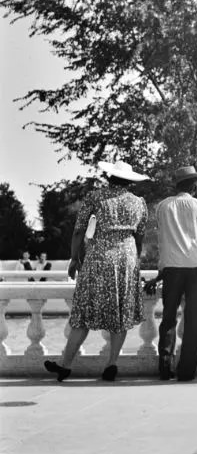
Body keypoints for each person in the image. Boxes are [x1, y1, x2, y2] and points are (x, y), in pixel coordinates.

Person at [44, 161, 149, 382]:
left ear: (109, 177)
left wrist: (74, 259)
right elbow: (140, 237)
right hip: (127, 259)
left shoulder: (95, 197)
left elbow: (79, 231)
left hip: (98, 258)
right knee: (120, 313)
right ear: (130, 180)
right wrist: (134, 260)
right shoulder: (139, 202)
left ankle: (66, 365)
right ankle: (112, 364)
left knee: (83, 313)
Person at [148, 166, 197, 382]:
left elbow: (163, 243)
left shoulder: (162, 207)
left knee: (169, 318)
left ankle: (165, 368)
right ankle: (186, 372)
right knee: (194, 321)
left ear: (177, 184)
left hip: (172, 268)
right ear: (194, 185)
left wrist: (160, 274)